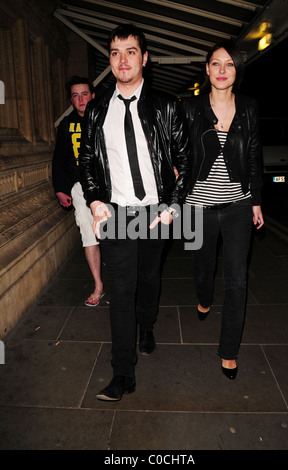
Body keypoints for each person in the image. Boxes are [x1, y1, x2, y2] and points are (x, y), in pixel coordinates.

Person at [79, 24, 190, 401]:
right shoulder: (95, 111)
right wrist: (95, 201)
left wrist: (174, 206)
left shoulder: (167, 105)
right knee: (121, 293)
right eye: (114, 52)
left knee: (149, 278)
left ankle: (148, 325)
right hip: (116, 214)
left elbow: (184, 161)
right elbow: (88, 162)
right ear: (109, 60)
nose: (122, 60)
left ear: (144, 58)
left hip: (156, 212)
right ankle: (122, 373)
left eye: (130, 52)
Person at [183, 41, 264, 380]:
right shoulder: (189, 108)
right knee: (203, 268)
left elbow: (254, 157)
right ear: (206, 69)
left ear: (236, 71)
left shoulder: (248, 107)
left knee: (237, 279)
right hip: (196, 208)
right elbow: (177, 149)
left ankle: (229, 350)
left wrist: (256, 200)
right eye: (215, 63)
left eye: (228, 64)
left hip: (237, 206)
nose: (221, 70)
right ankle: (203, 295)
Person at [52, 76, 105, 307]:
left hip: (108, 186)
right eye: (75, 95)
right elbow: (59, 159)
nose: (80, 99)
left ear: (92, 96)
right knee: (88, 234)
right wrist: (61, 189)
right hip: (79, 188)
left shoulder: (105, 119)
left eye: (84, 94)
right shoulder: (66, 124)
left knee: (114, 231)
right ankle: (98, 285)